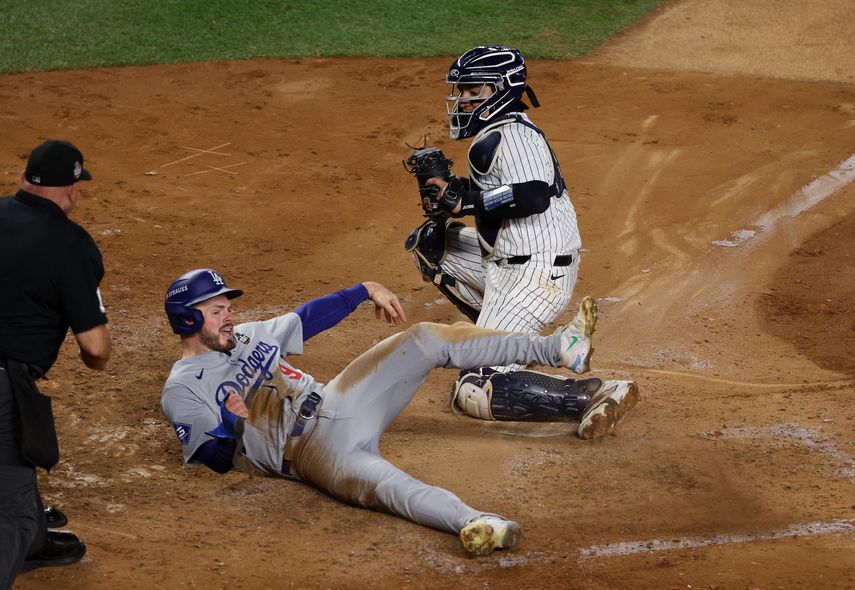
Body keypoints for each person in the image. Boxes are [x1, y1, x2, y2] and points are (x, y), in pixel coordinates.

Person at [159, 268, 618, 554]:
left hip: (341, 399)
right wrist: (233, 423)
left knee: (425, 339)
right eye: (217, 311)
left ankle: (559, 347)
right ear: (188, 319)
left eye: (227, 308)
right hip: (314, 453)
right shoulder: (183, 388)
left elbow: (305, 319)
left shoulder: (247, 336)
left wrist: (362, 290)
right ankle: (478, 522)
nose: (229, 317)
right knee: (391, 488)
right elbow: (213, 459)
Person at [404, 45, 638, 439]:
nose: (463, 100)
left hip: (537, 274)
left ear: (500, 90)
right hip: (505, 262)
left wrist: (465, 202)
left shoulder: (510, 138)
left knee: (475, 387)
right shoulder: (497, 133)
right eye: (462, 91)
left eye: (473, 91)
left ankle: (595, 394)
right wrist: (451, 191)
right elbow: (500, 193)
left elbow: (532, 196)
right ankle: (506, 337)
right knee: (432, 244)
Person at [0, 140, 112, 588]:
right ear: (71, 189)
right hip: (2, 384)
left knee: (14, 461)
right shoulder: (71, 245)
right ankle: (25, 534)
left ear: (25, 178)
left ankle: (33, 542)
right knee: (11, 517)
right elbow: (96, 349)